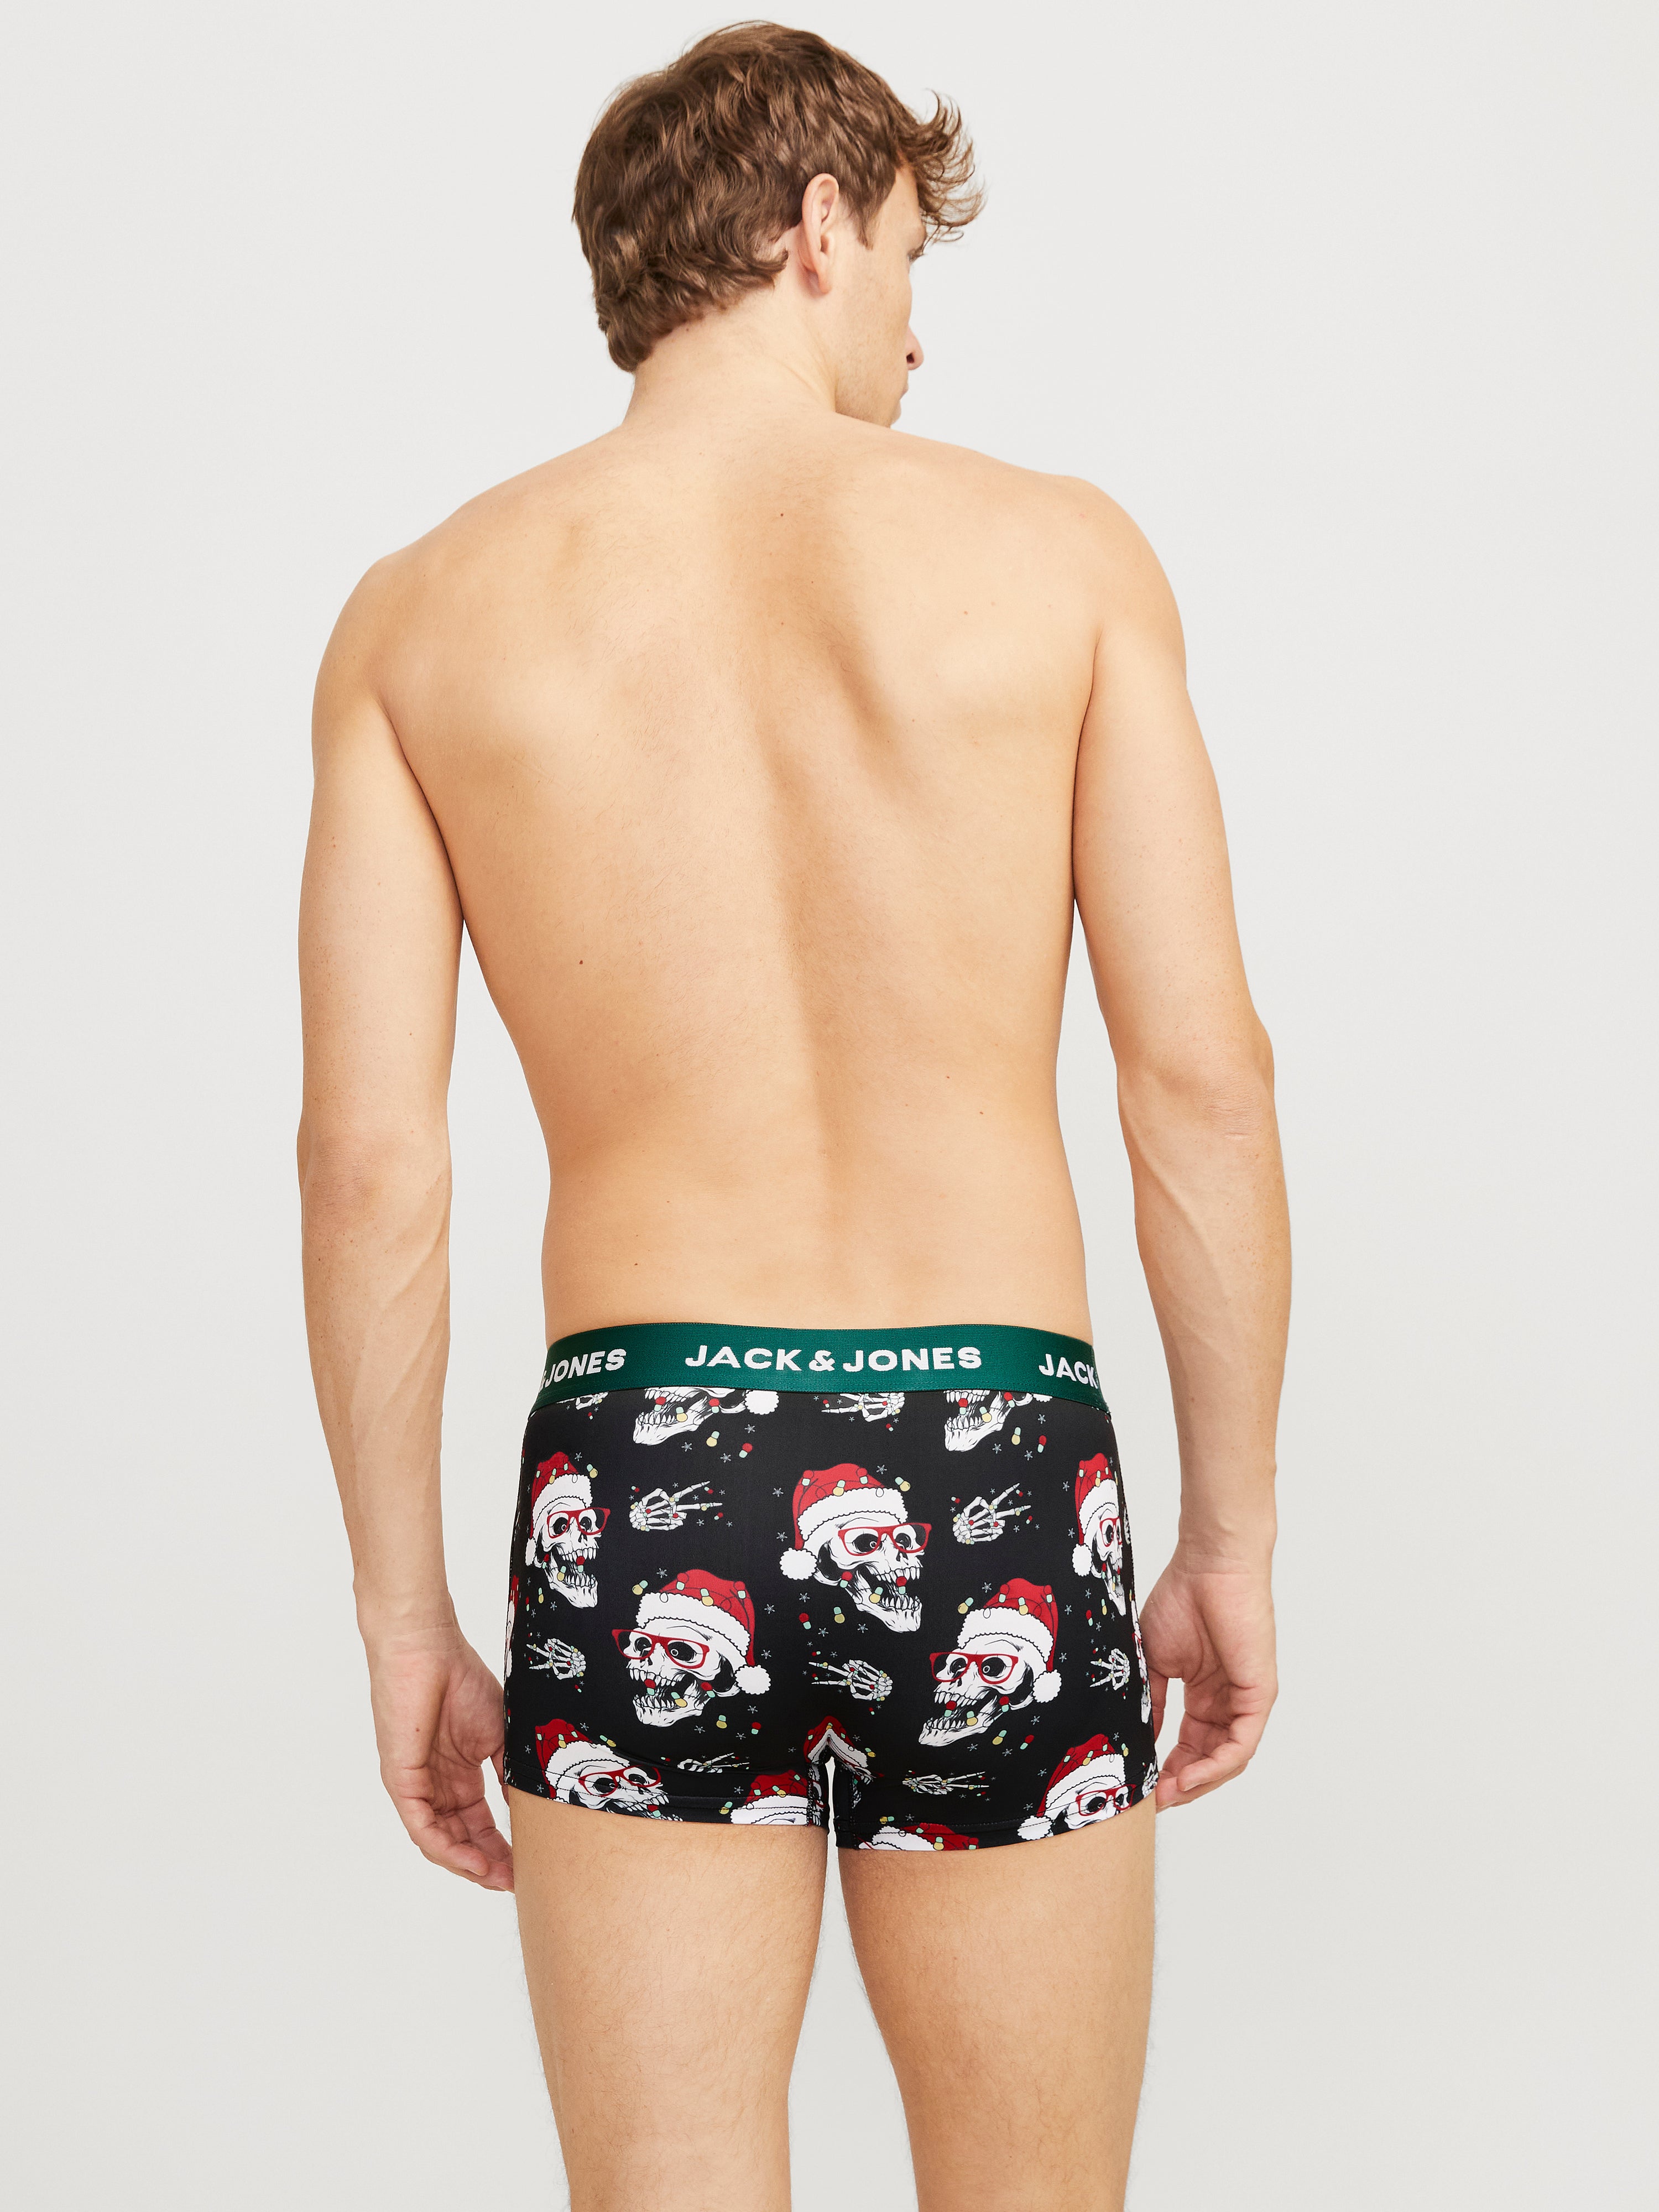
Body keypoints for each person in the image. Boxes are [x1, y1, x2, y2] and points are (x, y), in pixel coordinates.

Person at [298, 22, 1289, 2209]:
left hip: (637, 1471)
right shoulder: (1064, 561)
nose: (922, 334)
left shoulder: (421, 617)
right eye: (914, 259)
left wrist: (403, 1619)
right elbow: (1201, 1083)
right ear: (820, 227)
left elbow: (370, 1166)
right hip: (999, 1451)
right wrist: (1226, 1540)